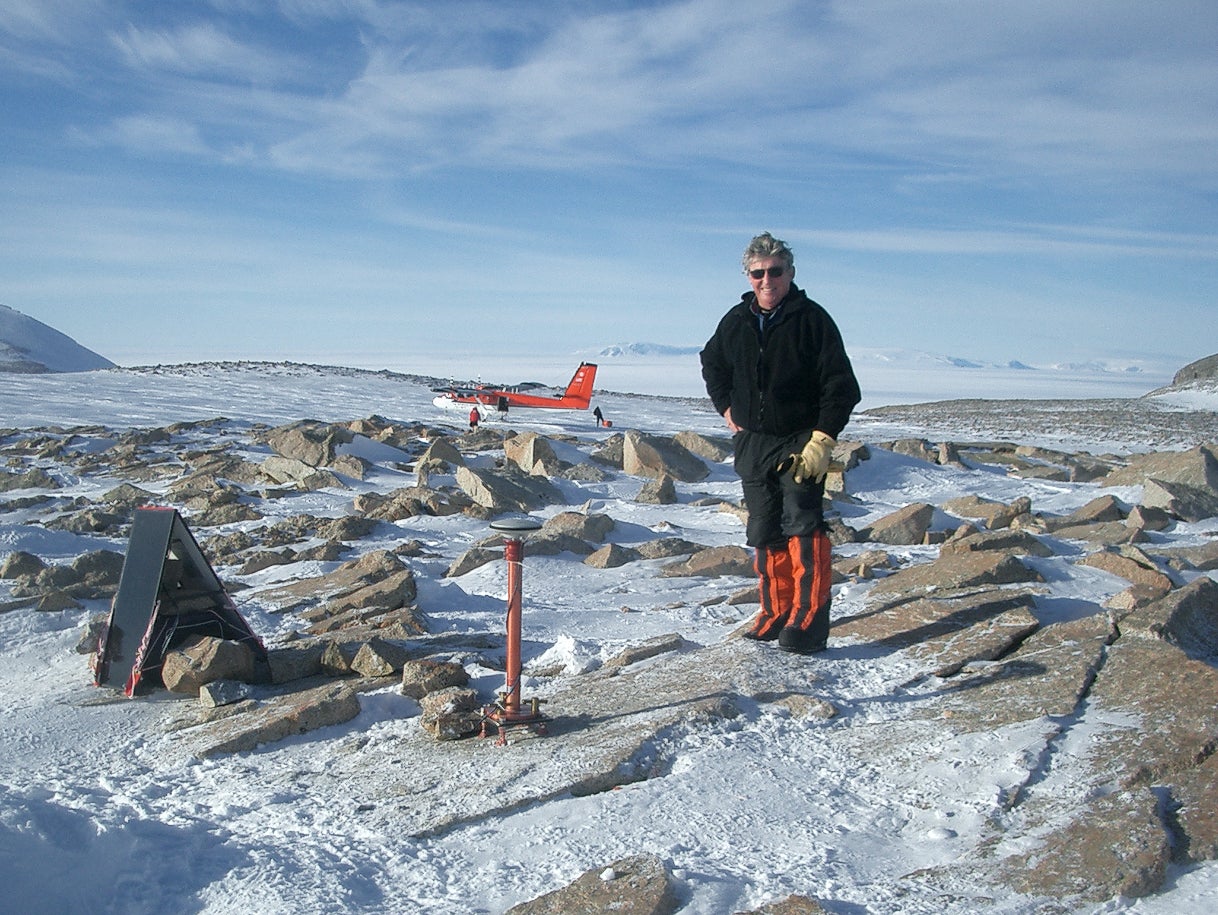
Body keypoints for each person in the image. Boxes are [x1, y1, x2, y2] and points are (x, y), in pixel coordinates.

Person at [700, 232, 861, 654]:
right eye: (758, 273)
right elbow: (711, 360)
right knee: (764, 528)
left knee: (802, 525)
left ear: (790, 273)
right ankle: (776, 610)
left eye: (775, 271)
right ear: (748, 276)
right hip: (754, 443)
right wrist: (727, 408)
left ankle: (807, 621)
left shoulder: (812, 320)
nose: (766, 280)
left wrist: (822, 438)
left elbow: (841, 385)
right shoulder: (736, 320)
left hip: (799, 442)